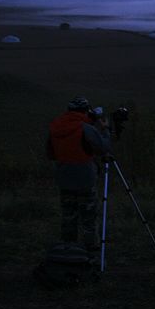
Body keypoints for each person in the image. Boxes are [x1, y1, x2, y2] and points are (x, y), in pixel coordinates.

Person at [46, 96, 110, 251]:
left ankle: (68, 250)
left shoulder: (55, 127)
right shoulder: (85, 128)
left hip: (64, 177)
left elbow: (50, 154)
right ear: (85, 111)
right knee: (88, 217)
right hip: (85, 178)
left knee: (68, 216)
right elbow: (103, 148)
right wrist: (105, 130)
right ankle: (90, 250)